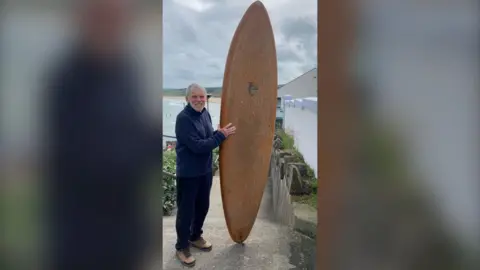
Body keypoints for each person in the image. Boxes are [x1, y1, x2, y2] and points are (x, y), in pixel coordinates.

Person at [44, 1, 161, 269]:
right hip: (83, 240)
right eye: (103, 19)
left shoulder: (125, 70)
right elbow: (95, 159)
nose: (112, 28)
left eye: (118, 20)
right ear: (83, 22)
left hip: (124, 236)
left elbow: (134, 126)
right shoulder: (67, 82)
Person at [174, 83, 236, 267]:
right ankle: (181, 247)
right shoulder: (183, 119)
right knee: (186, 213)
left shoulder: (205, 114)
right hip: (188, 174)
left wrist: (219, 132)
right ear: (187, 98)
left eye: (202, 97)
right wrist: (220, 136)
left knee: (202, 207)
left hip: (205, 171)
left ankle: (195, 236)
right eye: (195, 97)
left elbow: (208, 137)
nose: (200, 100)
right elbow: (198, 146)